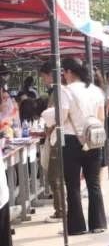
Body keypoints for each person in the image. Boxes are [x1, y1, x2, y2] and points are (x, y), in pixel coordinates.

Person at [58, 58, 107, 235]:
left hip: (72, 140)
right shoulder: (96, 91)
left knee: (73, 185)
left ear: (69, 72)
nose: (63, 75)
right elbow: (101, 118)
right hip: (94, 138)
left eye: (63, 72)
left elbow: (62, 117)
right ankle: (98, 223)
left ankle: (77, 226)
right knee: (94, 183)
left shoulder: (66, 91)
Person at [37, 62, 63, 222]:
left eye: (43, 77)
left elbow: (56, 117)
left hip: (56, 137)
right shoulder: (58, 91)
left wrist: (48, 129)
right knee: (56, 175)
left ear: (50, 74)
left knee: (55, 176)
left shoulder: (57, 92)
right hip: (57, 136)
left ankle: (60, 211)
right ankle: (61, 209)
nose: (43, 80)